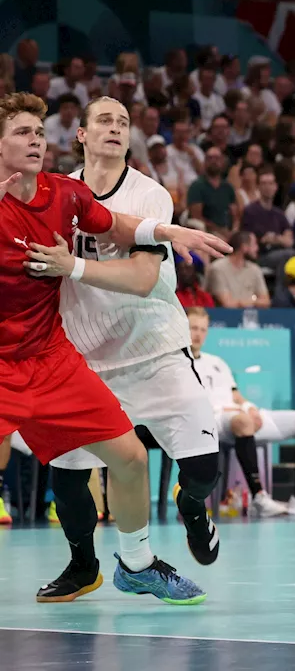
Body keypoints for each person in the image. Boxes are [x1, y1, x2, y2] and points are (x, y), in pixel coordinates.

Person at [0, 91, 229, 604]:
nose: (115, 128)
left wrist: (171, 231)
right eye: (103, 119)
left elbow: (137, 257)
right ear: (80, 134)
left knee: (183, 467)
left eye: (123, 121)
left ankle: (161, 539)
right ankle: (84, 567)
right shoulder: (45, 192)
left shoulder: (79, 194)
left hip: (140, 352)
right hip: (74, 353)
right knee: (70, 477)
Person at [186, 306, 295, 517]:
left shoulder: (217, 362)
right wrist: (228, 409)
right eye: (193, 328)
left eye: (202, 329)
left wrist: (250, 408)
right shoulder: (178, 364)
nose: (198, 334)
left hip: (239, 414)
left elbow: (235, 394)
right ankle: (259, 498)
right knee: (243, 422)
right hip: (213, 421)